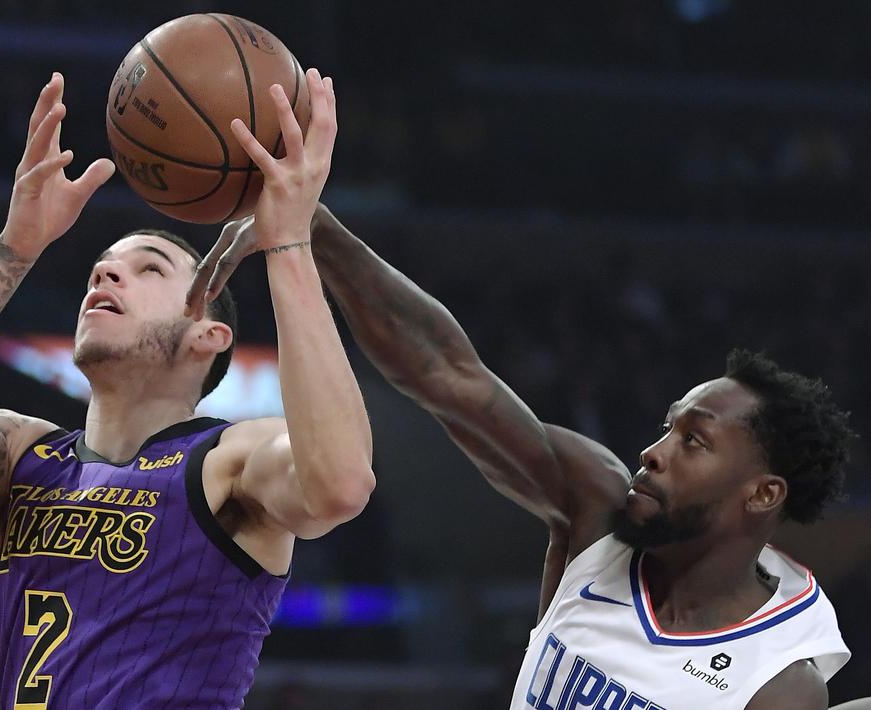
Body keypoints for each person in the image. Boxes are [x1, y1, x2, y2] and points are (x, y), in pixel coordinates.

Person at [188, 205, 852, 708]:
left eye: (693, 442)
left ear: (762, 494)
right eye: (667, 428)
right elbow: (449, 376)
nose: (652, 454)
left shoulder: (777, 681)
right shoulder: (597, 505)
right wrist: (319, 229)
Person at [0, 69, 373, 710]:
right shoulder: (26, 460)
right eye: (105, 265)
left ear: (205, 335)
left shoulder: (227, 465)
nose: (106, 270)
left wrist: (288, 244)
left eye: (148, 267)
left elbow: (342, 484)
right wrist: (15, 248)